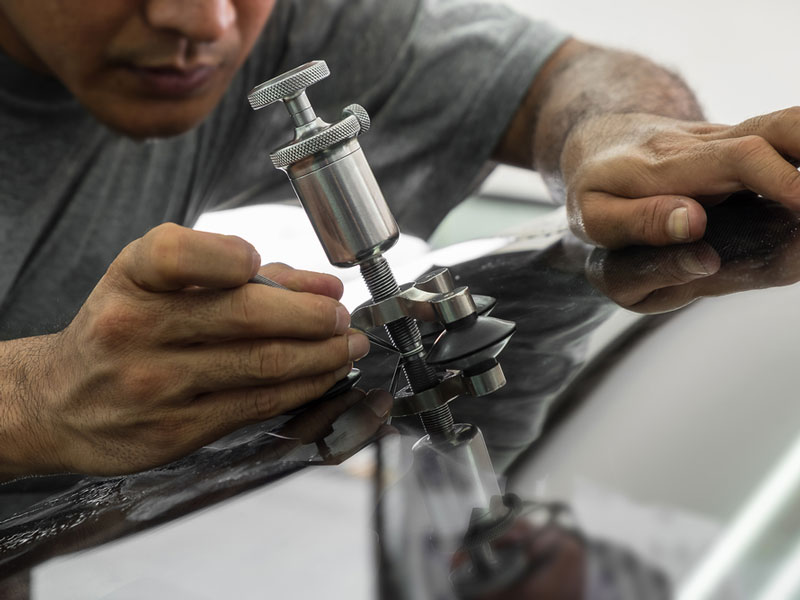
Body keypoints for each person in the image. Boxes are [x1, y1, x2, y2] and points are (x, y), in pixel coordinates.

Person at [0, 0, 797, 480]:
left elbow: (560, 77)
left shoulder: (261, 29)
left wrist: (617, 129)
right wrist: (32, 400)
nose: (203, 20)